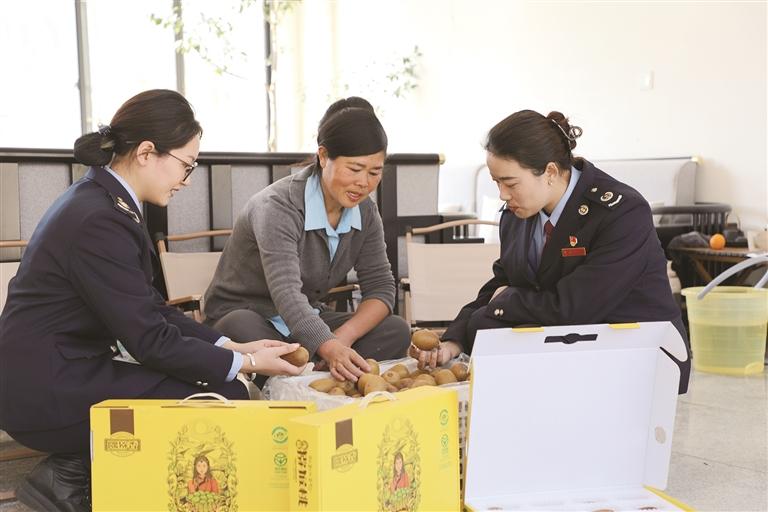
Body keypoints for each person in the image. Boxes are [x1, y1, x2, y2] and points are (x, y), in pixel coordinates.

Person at [0, 89, 304, 512]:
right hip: (45, 389)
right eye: (186, 164)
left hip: (61, 371)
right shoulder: (99, 218)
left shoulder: (103, 201)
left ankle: (81, 472)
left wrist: (233, 346)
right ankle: (68, 477)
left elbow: (150, 308)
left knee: (223, 384)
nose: (188, 179)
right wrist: (249, 362)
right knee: (223, 396)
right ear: (146, 153)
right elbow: (149, 340)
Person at [410, 109, 691, 394]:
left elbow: (577, 307)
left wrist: (503, 302)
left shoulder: (621, 212)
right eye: (496, 182)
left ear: (550, 172)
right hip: (571, 344)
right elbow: (502, 282)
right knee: (484, 326)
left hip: (637, 351)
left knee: (488, 324)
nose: (502, 195)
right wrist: (453, 341)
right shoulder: (518, 215)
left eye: (510, 183)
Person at [204, 97, 410, 383]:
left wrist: (341, 339)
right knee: (240, 325)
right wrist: (329, 346)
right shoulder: (277, 206)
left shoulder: (365, 211)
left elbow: (381, 287)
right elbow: (286, 293)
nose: (364, 183)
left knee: (395, 329)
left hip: (304, 321)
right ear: (323, 157)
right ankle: (315, 368)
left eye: (375, 172)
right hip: (247, 317)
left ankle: (308, 370)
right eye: (354, 169)